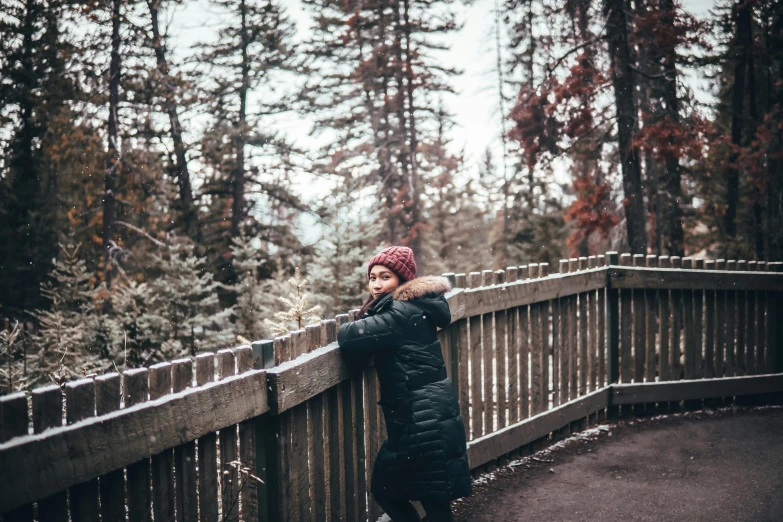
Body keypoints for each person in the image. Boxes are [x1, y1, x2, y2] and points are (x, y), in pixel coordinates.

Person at [337, 246, 472, 522]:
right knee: (432, 495)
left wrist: (361, 318)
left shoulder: (400, 311)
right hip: (428, 408)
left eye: (385, 277)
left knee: (388, 489)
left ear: (402, 279)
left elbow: (349, 336)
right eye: (372, 277)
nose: (376, 284)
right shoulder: (414, 306)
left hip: (420, 413)